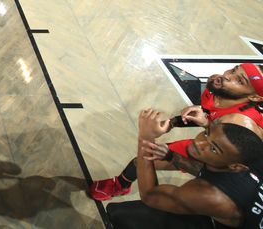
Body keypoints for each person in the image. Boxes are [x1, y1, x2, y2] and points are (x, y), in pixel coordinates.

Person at [90, 63, 263, 201]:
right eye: (233, 70)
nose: (227, 76)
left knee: (144, 160)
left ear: (255, 97)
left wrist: (174, 158)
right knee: (146, 158)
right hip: (215, 143)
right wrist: (172, 123)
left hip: (230, 169)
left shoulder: (240, 125)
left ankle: (119, 186)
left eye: (239, 81)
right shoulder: (219, 89)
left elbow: (220, 174)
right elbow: (210, 119)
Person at [106, 109, 263, 229]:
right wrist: (172, 157)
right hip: (235, 212)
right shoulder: (249, 158)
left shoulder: (211, 197)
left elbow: (150, 196)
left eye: (213, 149)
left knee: (120, 216)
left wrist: (146, 137)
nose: (199, 143)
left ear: (236, 167)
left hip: (226, 215)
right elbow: (210, 172)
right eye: (206, 134)